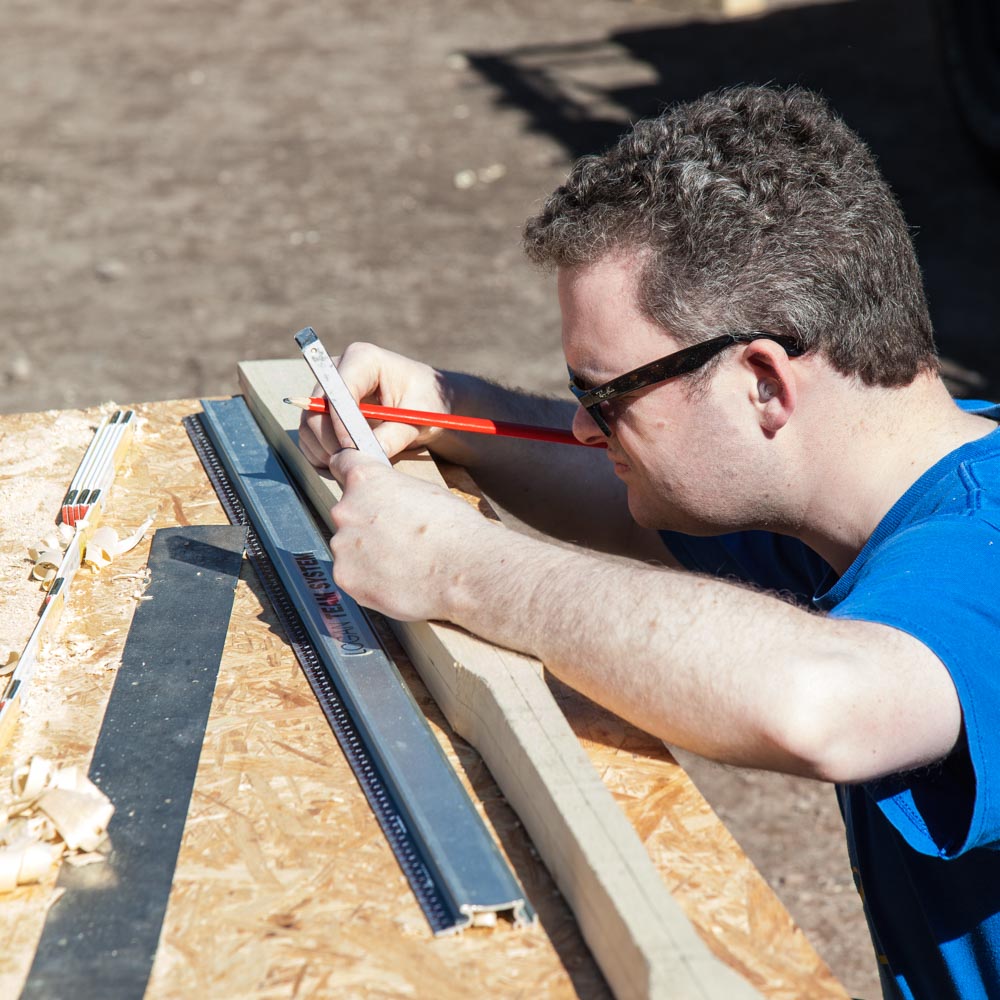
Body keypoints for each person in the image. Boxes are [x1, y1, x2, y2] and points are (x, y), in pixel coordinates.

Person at [298, 85, 1000, 1000]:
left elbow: (818, 699)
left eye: (606, 398)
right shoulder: (879, 491)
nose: (588, 431)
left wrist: (457, 565)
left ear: (761, 383)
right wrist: (455, 410)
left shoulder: (981, 547)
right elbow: (653, 496)